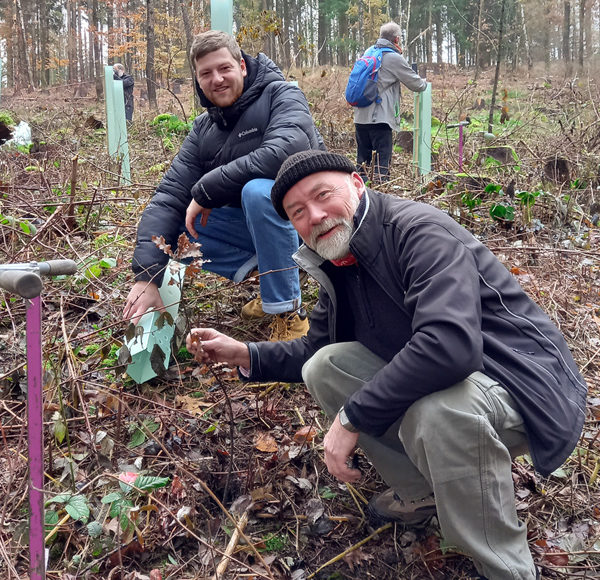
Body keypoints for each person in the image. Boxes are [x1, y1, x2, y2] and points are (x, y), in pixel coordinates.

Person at [186, 150, 587, 580]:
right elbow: (315, 349)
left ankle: (506, 568)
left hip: (520, 381)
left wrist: (353, 417)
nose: (316, 216)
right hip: (455, 377)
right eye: (297, 212)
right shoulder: (339, 256)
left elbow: (450, 345)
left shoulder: (419, 232)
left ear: (357, 184)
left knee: (439, 414)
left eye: (323, 195)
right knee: (325, 366)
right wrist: (244, 352)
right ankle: (424, 493)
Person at [123, 31, 325, 341]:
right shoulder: (204, 129)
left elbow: (286, 150)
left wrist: (206, 190)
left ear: (242, 66)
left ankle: (288, 313)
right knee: (178, 224)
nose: (217, 79)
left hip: (316, 225)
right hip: (267, 233)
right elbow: (168, 196)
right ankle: (275, 277)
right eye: (206, 73)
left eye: (224, 68)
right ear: (198, 80)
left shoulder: (281, 95)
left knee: (257, 191)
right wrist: (147, 276)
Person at [352, 22, 426, 181]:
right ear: (397, 39)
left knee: (363, 165)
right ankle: (379, 197)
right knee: (381, 168)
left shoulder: (368, 52)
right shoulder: (393, 58)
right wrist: (425, 83)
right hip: (380, 120)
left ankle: (362, 198)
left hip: (360, 118)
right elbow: (417, 85)